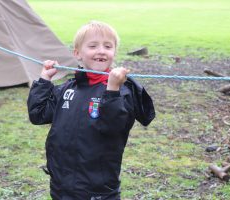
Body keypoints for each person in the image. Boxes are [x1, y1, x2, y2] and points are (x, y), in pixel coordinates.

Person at [27, 20, 155, 200]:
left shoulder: (121, 91)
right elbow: (37, 115)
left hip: (98, 190)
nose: (101, 50)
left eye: (108, 46)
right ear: (77, 54)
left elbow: (114, 128)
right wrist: (44, 81)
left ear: (114, 53)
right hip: (61, 186)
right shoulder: (67, 89)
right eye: (93, 46)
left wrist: (112, 91)